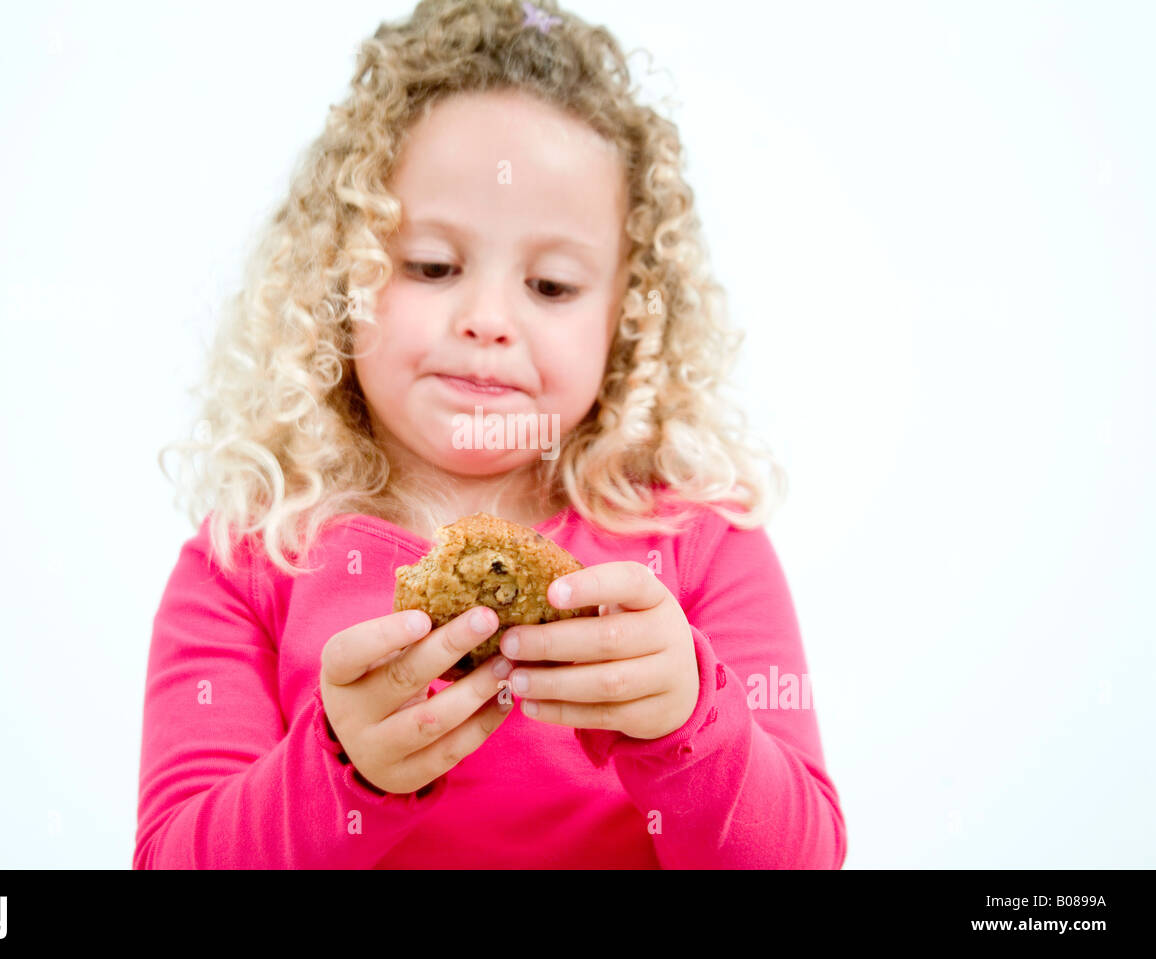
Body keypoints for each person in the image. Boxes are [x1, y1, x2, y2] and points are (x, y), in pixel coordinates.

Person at [135, 0, 846, 869]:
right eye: (432, 266)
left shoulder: (699, 547)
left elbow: (799, 858)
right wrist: (342, 772)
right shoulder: (249, 564)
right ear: (342, 274)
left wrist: (688, 716)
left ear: (625, 319)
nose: (486, 319)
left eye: (550, 285)